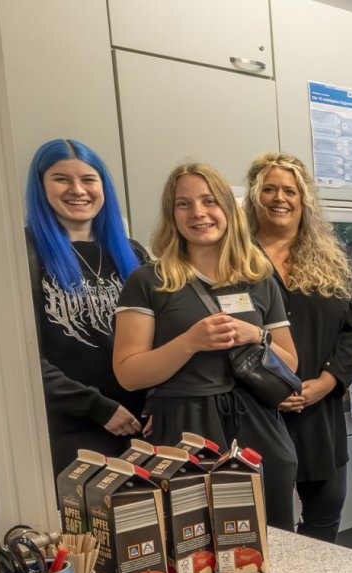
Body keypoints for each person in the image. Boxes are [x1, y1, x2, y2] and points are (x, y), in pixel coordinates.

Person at [112, 162, 299, 530]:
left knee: (271, 539)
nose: (198, 213)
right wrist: (190, 342)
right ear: (172, 215)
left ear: (228, 208)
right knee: (192, 546)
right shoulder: (149, 281)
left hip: (258, 427)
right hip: (184, 428)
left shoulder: (259, 279)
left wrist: (255, 337)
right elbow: (128, 374)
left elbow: (290, 363)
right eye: (184, 204)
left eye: (209, 201)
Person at [245, 152, 352, 543]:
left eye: (289, 190)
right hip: (257, 411)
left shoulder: (334, 259)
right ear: (253, 197)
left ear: (304, 200)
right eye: (269, 189)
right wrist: (270, 389)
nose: (280, 198)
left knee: (326, 511)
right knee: (266, 523)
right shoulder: (234, 260)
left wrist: (328, 381)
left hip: (320, 406)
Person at [24, 139, 149, 471]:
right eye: (61, 179)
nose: (77, 189)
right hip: (74, 430)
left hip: (144, 429)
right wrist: (96, 407)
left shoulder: (133, 254)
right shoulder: (23, 254)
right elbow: (21, 356)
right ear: (41, 187)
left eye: (88, 179)